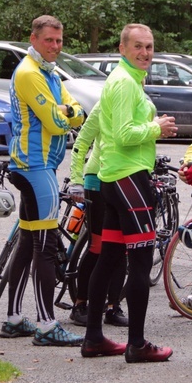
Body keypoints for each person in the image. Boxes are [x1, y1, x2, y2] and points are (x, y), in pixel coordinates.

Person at [80, 23, 177, 362]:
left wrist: (151, 127)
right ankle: (137, 344)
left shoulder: (130, 80)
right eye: (137, 46)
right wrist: (157, 128)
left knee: (107, 260)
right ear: (122, 48)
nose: (145, 53)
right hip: (127, 181)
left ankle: (93, 338)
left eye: (149, 47)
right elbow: (122, 134)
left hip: (114, 179)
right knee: (139, 262)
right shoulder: (124, 83)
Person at [3, 15, 85, 346]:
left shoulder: (48, 72)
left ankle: (13, 320)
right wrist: (68, 112)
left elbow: (78, 110)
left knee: (26, 243)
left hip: (37, 166)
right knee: (46, 246)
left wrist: (68, 110)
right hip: (36, 168)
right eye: (49, 40)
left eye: (59, 40)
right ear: (33, 39)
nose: (55, 46)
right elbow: (56, 122)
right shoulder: (29, 73)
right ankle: (48, 325)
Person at [68, 101, 129, 328]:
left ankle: (113, 307)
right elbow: (82, 141)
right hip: (97, 178)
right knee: (98, 246)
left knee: (121, 246)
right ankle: (80, 304)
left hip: (125, 179)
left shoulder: (140, 102)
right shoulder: (104, 105)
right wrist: (76, 179)